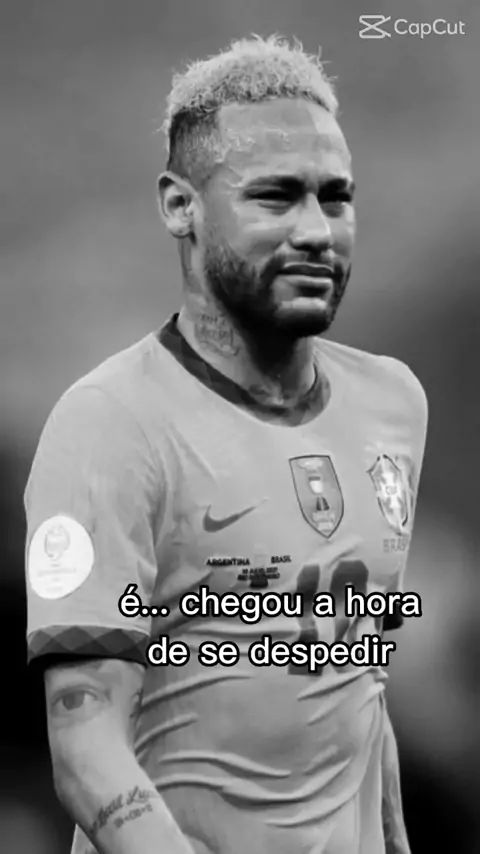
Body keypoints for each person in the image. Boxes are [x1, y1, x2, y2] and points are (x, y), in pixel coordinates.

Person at [24, 35, 428, 854]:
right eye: (276, 197)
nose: (317, 231)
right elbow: (85, 749)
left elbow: (359, 689)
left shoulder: (393, 404)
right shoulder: (108, 425)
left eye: (336, 198)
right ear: (181, 207)